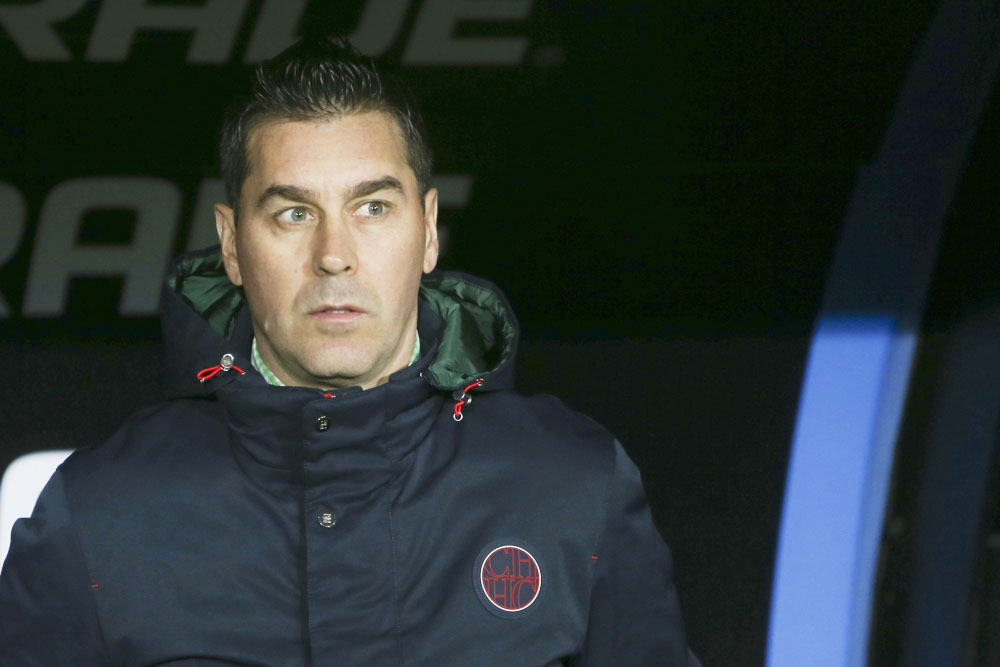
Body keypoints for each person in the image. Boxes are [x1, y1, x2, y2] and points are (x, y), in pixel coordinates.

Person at [0, 37, 697, 665]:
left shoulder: (573, 483)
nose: (334, 255)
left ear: (428, 229)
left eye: (372, 207)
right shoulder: (95, 514)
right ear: (232, 245)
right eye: (293, 213)